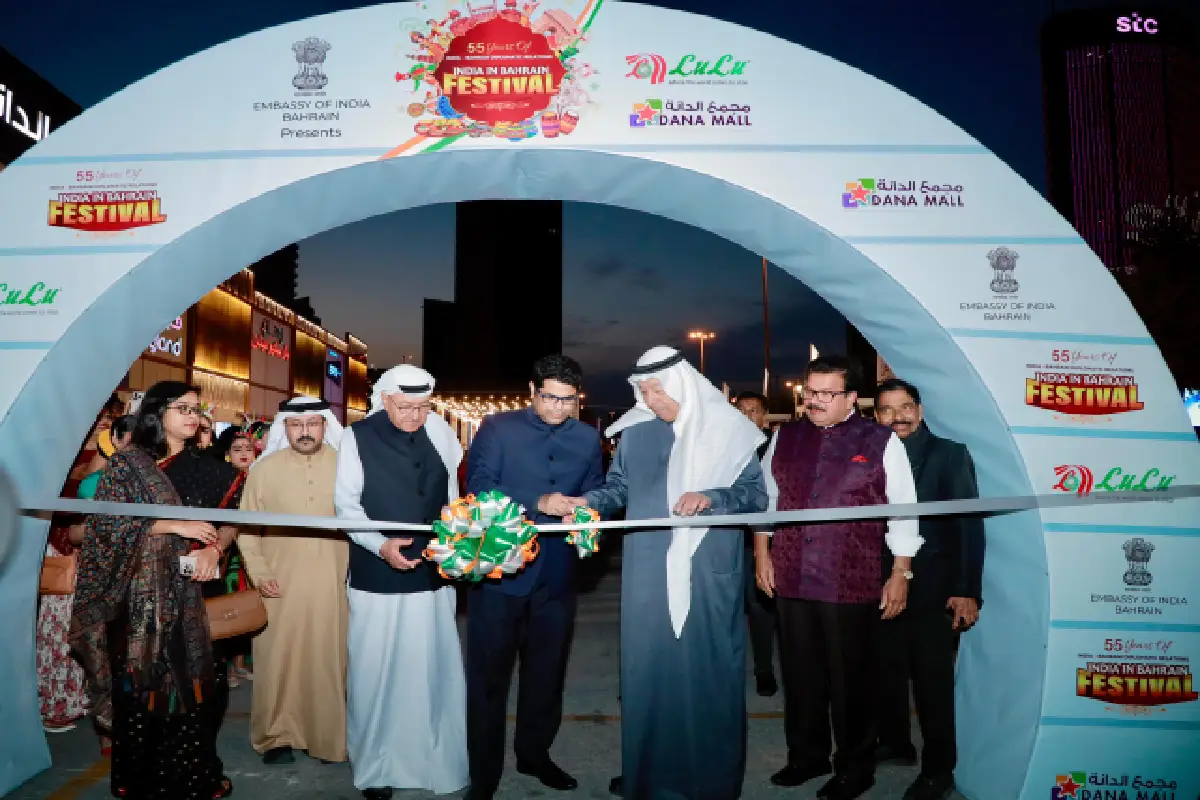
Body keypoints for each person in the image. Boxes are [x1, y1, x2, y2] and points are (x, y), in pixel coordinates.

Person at [559, 345, 768, 800]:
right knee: (648, 671)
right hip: (647, 570)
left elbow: (755, 496)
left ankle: (709, 781)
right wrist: (587, 503)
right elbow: (618, 488)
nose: (651, 400)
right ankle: (649, 774)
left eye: (658, 390)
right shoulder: (635, 433)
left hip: (707, 570)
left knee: (705, 672)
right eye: (644, 392)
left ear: (682, 384)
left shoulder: (728, 430)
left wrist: (712, 497)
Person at [755, 356, 921, 800]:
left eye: (827, 394)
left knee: (851, 681)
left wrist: (900, 572)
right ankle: (806, 757)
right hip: (791, 574)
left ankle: (855, 768)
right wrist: (762, 554)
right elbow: (767, 500)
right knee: (800, 675)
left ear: (851, 398)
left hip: (850, 579)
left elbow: (904, 510)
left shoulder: (881, 440)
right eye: (811, 392)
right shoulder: (785, 437)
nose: (815, 401)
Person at [70, 381, 233, 799]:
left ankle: (196, 778)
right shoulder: (129, 465)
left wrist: (214, 548)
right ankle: (139, 781)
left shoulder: (208, 468)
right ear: (158, 413)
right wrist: (170, 524)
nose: (193, 417)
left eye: (196, 409)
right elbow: (104, 527)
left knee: (198, 688)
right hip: (137, 601)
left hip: (194, 596)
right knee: (142, 688)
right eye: (183, 408)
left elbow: (231, 519)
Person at [463, 354, 604, 800]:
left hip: (558, 575)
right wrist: (537, 502)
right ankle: (483, 775)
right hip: (500, 571)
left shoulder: (588, 437)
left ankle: (534, 755)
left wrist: (587, 507)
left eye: (568, 400)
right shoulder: (498, 428)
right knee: (488, 679)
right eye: (550, 398)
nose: (559, 408)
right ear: (532, 390)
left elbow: (596, 489)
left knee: (547, 674)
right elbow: (478, 485)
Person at [335, 365, 468, 800]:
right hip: (376, 575)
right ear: (385, 400)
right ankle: (377, 769)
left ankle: (437, 763)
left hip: (433, 574)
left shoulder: (442, 432)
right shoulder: (355, 437)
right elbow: (346, 507)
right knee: (376, 673)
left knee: (433, 670)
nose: (415, 416)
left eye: (422, 407)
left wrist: (459, 544)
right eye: (405, 407)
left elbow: (451, 500)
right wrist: (380, 546)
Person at [872, 378, 985, 800]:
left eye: (905, 407)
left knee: (932, 682)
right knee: (885, 670)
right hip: (879, 582)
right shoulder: (871, 455)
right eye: (887, 409)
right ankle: (895, 743)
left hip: (934, 587)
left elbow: (968, 524)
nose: (897, 416)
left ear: (919, 411)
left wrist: (966, 588)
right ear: (876, 416)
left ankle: (939, 769)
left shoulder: (949, 454)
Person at [237, 397, 349, 765]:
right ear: (284, 428)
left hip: (332, 583)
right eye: (296, 425)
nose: (304, 432)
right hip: (278, 585)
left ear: (324, 426)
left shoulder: (346, 466)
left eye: (312, 424)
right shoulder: (264, 470)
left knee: (327, 660)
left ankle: (327, 738)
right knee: (276, 661)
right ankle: (275, 737)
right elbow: (247, 528)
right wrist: (260, 573)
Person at [734, 390, 778, 697]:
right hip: (733, 540)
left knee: (762, 607)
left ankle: (764, 669)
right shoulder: (723, 447)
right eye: (742, 410)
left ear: (764, 416)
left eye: (753, 411)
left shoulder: (776, 446)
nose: (747, 416)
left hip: (766, 541)